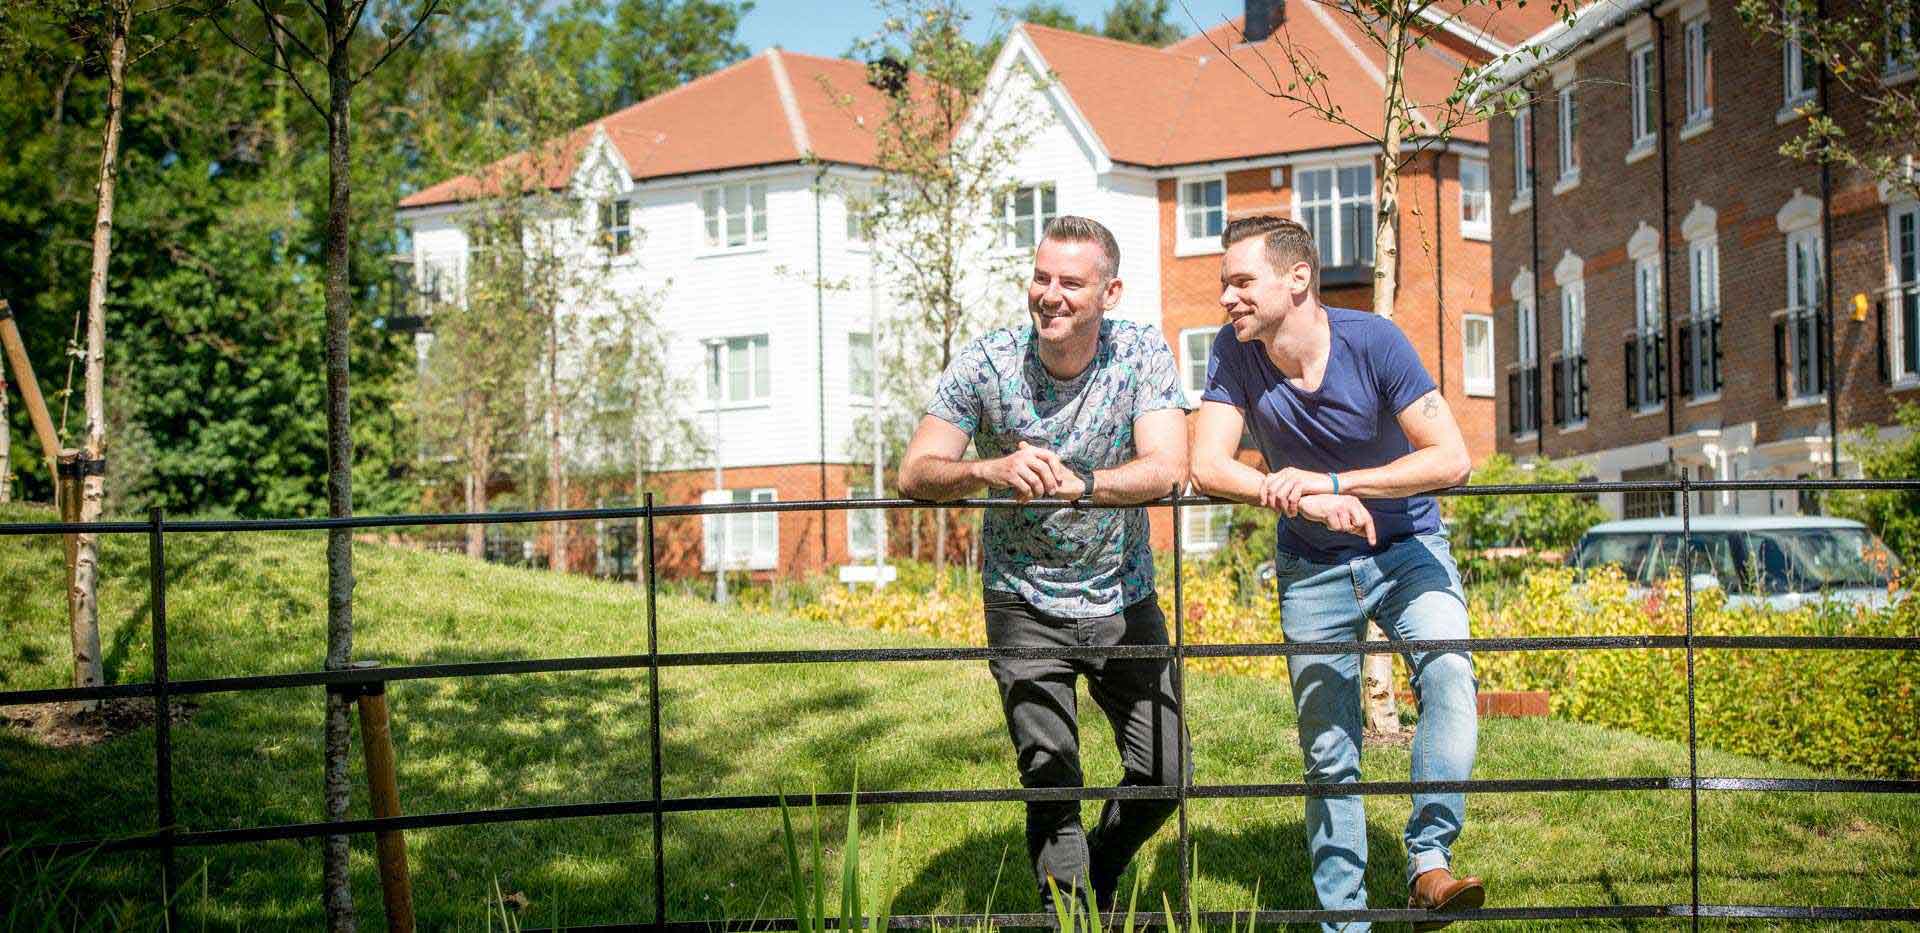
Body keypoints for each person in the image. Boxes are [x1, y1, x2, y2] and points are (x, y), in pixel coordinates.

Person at [1188, 216, 1481, 932]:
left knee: (1447, 670)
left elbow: (1452, 457)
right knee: (1328, 752)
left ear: (1297, 278)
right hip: (1311, 566)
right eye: (1224, 282)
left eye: (1241, 280)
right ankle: (1344, 921)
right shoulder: (1236, 350)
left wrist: (1343, 482)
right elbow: (1207, 465)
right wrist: (1301, 496)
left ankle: (1429, 858)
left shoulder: (1373, 341)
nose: (1227, 296)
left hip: (1404, 544)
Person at [898, 215, 1189, 911]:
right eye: (1040, 277)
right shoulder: (989, 361)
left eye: (1070, 282)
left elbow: (1169, 467)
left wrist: (1084, 484)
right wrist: (993, 466)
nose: (1049, 294)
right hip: (1022, 599)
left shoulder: (1139, 354)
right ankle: (1076, 916)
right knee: (1052, 780)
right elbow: (915, 471)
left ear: (1109, 292)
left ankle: (1103, 864)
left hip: (1123, 595)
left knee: (1166, 771)